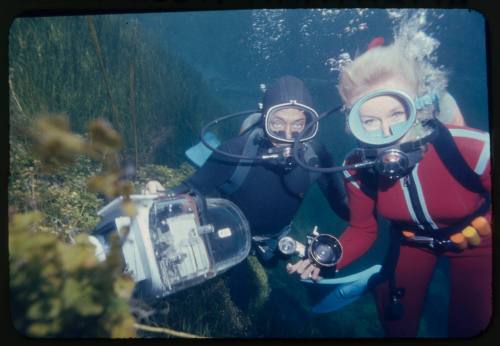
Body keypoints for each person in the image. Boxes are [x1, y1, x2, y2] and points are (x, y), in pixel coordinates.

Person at [287, 41, 491, 337]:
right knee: (396, 324)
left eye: (397, 114)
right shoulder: (357, 168)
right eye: (369, 121)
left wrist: (488, 223)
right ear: (352, 123)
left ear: (418, 106)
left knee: (472, 326)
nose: (386, 133)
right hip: (412, 243)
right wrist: (327, 257)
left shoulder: (472, 147)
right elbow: (363, 230)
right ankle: (379, 282)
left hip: (478, 241)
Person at [145, 75, 349, 267]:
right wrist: (163, 193)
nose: (287, 136)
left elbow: (344, 207)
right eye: (276, 123)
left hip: (274, 238)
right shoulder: (235, 151)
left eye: (298, 125)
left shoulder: (316, 156)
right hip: (227, 232)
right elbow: (192, 188)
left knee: (271, 263)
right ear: (264, 120)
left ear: (309, 124)